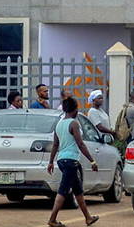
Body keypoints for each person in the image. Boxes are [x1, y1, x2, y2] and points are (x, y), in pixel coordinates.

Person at [46, 97, 100, 227]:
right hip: (71, 160)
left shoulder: (59, 124)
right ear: (74, 109)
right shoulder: (74, 123)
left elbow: (55, 145)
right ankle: (52, 219)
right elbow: (80, 144)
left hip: (62, 160)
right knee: (63, 190)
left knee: (78, 190)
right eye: (77, 108)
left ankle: (88, 218)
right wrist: (92, 161)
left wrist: (51, 162)